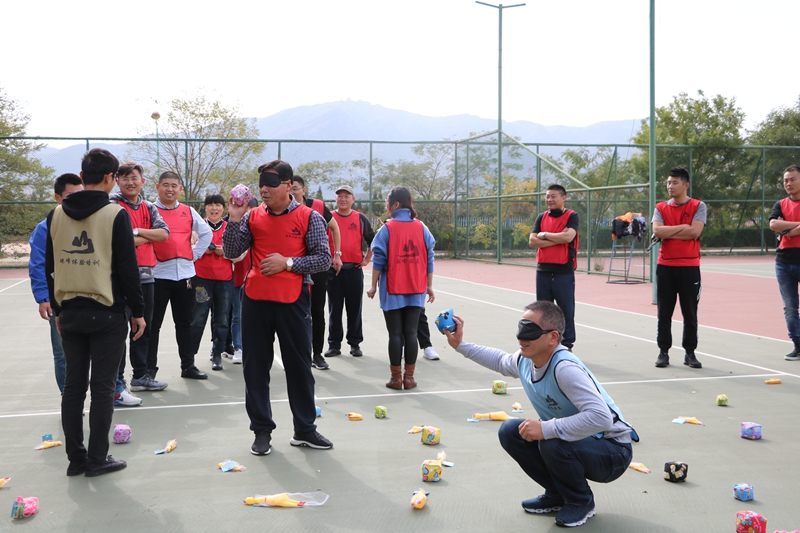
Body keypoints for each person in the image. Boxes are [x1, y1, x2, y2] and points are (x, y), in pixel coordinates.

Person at [443, 301, 637, 528]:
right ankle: (557, 493)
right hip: (578, 442)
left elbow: (601, 417)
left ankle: (580, 501)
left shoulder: (564, 368)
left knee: (551, 441)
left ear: (553, 337)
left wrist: (546, 428)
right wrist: (460, 345)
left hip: (613, 451)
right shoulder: (525, 360)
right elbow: (500, 361)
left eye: (530, 330)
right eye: (521, 327)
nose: (521, 336)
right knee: (511, 431)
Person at [45, 148, 145, 477]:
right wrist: (138, 310)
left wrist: (57, 310)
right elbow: (128, 269)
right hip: (106, 313)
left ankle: (76, 459)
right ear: (109, 178)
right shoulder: (115, 214)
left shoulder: (55, 214)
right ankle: (98, 458)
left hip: (70, 311)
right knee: (102, 388)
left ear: (82, 174)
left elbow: (50, 266)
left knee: (73, 388)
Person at [223, 160, 333, 456]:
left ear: (288, 185)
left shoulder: (310, 217)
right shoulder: (252, 216)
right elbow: (232, 252)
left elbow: (323, 259)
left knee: (299, 368)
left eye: (271, 183)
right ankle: (261, 431)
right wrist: (234, 218)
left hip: (293, 302)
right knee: (255, 369)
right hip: (255, 301)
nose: (264, 189)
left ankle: (304, 429)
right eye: (261, 184)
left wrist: (288, 263)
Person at [110, 162, 170, 396]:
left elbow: (163, 234)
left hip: (146, 278)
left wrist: (135, 232)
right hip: (120, 279)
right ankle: (118, 382)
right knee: (118, 331)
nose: (130, 182)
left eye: (134, 178)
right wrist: (147, 235)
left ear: (142, 181)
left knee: (143, 328)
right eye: (125, 178)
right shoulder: (113, 205)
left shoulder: (149, 207)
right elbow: (118, 239)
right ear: (117, 181)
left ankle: (141, 376)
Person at [367, 186, 435, 390]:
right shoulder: (421, 227)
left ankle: (396, 379)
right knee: (411, 333)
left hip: (392, 288)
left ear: (396, 204)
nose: (386, 205)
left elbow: (378, 260)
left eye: (387, 201)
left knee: (395, 334)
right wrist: (429, 286)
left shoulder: (387, 229)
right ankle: (410, 378)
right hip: (416, 287)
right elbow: (429, 258)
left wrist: (373, 286)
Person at [149, 171, 212, 380]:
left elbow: (206, 233)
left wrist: (194, 255)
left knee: (185, 323)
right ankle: (149, 370)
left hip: (185, 276)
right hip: (157, 276)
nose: (170, 189)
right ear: (157, 187)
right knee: (153, 325)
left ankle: (188, 366)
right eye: (165, 185)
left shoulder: (188, 211)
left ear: (180, 189)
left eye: (174, 185)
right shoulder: (149, 210)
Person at [29, 173, 83, 394]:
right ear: (58, 198)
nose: (77, 200)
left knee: (103, 349)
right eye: (70, 196)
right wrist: (43, 298)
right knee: (62, 352)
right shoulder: (45, 228)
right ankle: (69, 396)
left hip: (91, 297)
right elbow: (38, 264)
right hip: (60, 300)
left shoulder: (93, 221)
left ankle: (113, 391)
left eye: (80, 194)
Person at [652, 166, 707, 369]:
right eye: (668, 182)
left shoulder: (698, 206)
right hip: (665, 266)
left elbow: (694, 232)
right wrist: (683, 227)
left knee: (690, 313)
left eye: (675, 182)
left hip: (689, 267)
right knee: (664, 313)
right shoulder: (660, 208)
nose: (670, 186)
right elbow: (657, 231)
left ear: (686, 185)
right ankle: (663, 352)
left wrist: (670, 231)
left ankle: (690, 353)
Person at [289, 176, 342, 370]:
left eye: (295, 188)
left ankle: (317, 354)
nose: (292, 192)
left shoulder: (317, 207)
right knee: (294, 312)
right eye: (289, 188)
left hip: (317, 266)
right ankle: (296, 354)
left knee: (317, 310)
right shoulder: (283, 210)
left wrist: (337, 254)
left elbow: (335, 228)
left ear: (303, 190)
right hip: (293, 266)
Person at [325, 185, 374, 359]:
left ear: (353, 199)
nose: (343, 199)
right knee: (334, 309)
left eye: (347, 196)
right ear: (336, 199)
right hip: (334, 271)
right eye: (340, 196)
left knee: (355, 309)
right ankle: (334, 344)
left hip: (354, 270)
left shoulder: (360, 218)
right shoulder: (329, 217)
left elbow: (372, 240)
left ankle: (355, 343)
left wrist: (367, 259)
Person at [528, 184, 579, 351]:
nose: (549, 199)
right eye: (547, 196)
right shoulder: (541, 217)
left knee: (566, 311)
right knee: (543, 312)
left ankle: (566, 345)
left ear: (563, 198)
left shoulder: (572, 216)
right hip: (542, 271)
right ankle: (545, 344)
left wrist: (544, 235)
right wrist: (557, 239)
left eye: (553, 196)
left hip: (563, 272)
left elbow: (568, 237)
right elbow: (532, 241)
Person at [190, 193, 235, 371]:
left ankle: (217, 353)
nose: (214, 208)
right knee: (197, 318)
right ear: (205, 207)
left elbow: (239, 252)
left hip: (225, 280)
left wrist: (225, 251)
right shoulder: (197, 227)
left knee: (222, 319)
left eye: (218, 205)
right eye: (210, 205)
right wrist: (202, 249)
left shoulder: (230, 228)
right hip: (201, 279)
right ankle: (189, 356)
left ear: (223, 208)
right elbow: (187, 249)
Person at [769, 164, 800, 361]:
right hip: (783, 262)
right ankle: (798, 345)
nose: (788, 183)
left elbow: (780, 227)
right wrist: (796, 227)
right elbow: (773, 224)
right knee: (790, 307)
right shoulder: (780, 204)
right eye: (785, 180)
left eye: (792, 179)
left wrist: (786, 229)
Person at [228, 197, 260, 365]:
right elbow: (231, 252)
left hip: (256, 279)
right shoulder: (236, 226)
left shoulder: (260, 226)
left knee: (255, 317)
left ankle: (252, 348)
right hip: (238, 277)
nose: (249, 212)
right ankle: (238, 348)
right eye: (247, 208)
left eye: (252, 209)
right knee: (236, 316)